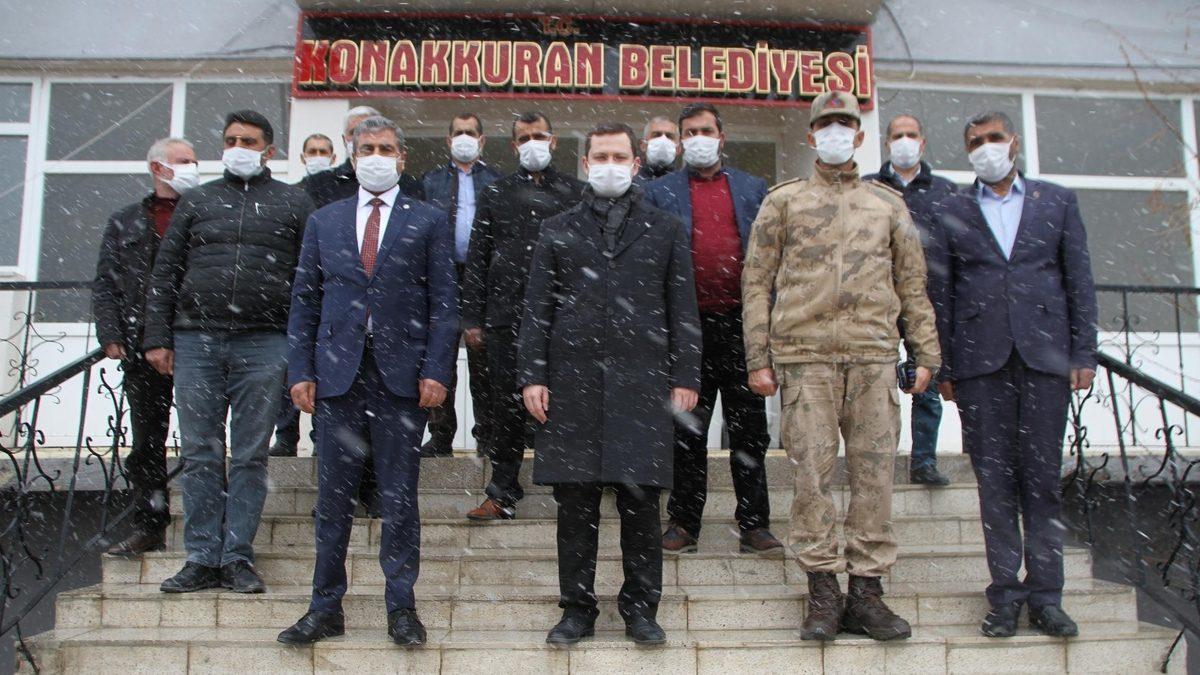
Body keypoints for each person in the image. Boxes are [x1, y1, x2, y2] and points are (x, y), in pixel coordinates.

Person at [741, 91, 940, 642]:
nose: (835, 133)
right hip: (804, 360)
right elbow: (756, 282)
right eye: (825, 124)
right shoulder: (784, 201)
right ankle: (824, 592)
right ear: (811, 136)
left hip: (873, 357)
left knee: (875, 476)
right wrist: (758, 356)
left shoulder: (886, 204)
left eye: (844, 124)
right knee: (811, 477)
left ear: (859, 135)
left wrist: (926, 351)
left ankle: (868, 594)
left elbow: (912, 283)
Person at [277, 116, 458, 647]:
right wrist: (300, 370)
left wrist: (437, 370)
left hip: (401, 379)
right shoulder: (325, 220)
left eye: (386, 148)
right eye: (367, 149)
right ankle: (324, 607)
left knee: (399, 499)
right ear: (353, 157)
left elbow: (444, 303)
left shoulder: (428, 219)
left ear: (402, 157)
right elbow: (304, 302)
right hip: (338, 378)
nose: (376, 156)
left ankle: (401, 608)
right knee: (333, 501)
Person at [519, 122, 701, 646]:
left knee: (640, 505)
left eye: (619, 157)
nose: (610, 165)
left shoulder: (665, 228)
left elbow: (682, 309)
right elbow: (537, 309)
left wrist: (686, 375)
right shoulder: (556, 228)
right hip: (572, 382)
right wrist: (533, 375)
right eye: (600, 156)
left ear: (636, 164)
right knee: (575, 506)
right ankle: (577, 610)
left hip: (642, 383)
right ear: (585, 163)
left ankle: (641, 609)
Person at [928, 111, 1097, 639]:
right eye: (975, 141)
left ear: (1014, 142)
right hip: (980, 363)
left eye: (994, 138)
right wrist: (945, 366)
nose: (986, 147)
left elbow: (1078, 279)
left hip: (1045, 358)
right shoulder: (952, 208)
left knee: (1042, 482)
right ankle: (1005, 594)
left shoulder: (1056, 201)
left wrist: (1083, 353)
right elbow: (941, 292)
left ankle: (1047, 597)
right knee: (995, 483)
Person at [142, 110, 314, 595]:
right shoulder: (197, 201)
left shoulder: (294, 202)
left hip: (265, 341)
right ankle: (200, 556)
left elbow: (310, 279)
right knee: (199, 452)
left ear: (269, 151)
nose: (239, 147)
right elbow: (166, 271)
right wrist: (157, 336)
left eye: (249, 141)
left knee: (250, 455)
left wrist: (303, 347)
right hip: (196, 340)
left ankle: (237, 555)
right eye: (232, 139)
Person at [644, 103, 781, 554]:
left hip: (742, 327)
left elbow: (770, 257)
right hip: (687, 329)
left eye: (706, 130)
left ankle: (754, 523)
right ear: (681, 141)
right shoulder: (660, 192)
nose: (698, 138)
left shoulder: (751, 188)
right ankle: (684, 522)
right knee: (687, 432)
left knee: (749, 431)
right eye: (689, 132)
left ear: (722, 137)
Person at [461, 111, 584, 521]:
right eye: (525, 137)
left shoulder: (576, 192)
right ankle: (502, 491)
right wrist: (472, 317)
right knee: (505, 407)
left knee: (566, 404)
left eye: (540, 135)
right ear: (514, 145)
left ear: (554, 140)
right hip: (506, 316)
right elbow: (478, 257)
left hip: (563, 318)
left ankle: (572, 489)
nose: (533, 143)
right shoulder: (495, 193)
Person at [93, 137, 198, 557]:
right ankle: (150, 523)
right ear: (158, 167)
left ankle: (213, 523)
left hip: (197, 339)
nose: (191, 167)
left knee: (204, 437)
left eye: (193, 160)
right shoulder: (126, 221)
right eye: (182, 161)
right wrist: (110, 333)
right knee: (147, 442)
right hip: (141, 345)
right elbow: (106, 281)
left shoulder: (204, 212)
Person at [863, 114, 958, 486]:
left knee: (927, 381)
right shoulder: (868, 188)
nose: (904, 141)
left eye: (911, 134)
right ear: (887, 142)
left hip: (927, 300)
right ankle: (876, 460)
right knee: (875, 384)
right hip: (877, 300)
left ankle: (924, 461)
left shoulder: (946, 192)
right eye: (897, 135)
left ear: (923, 141)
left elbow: (956, 249)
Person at [419, 113, 502, 457]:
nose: (464, 138)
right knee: (440, 358)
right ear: (448, 139)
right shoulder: (430, 181)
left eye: (470, 132)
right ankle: (440, 436)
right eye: (458, 132)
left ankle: (487, 436)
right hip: (442, 276)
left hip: (482, 277)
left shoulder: (496, 181)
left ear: (482, 140)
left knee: (483, 362)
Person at [300, 105, 424, 209]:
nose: (360, 137)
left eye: (368, 130)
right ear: (344, 139)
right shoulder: (319, 183)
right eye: (354, 132)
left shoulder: (409, 185)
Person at [637, 116, 680, 183]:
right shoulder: (629, 181)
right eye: (656, 135)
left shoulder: (686, 183)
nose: (663, 139)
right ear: (643, 145)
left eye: (669, 136)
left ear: (678, 148)